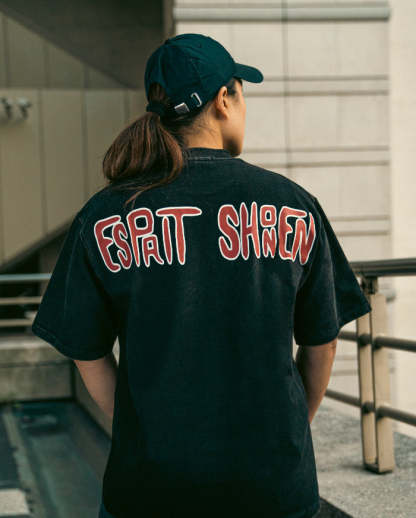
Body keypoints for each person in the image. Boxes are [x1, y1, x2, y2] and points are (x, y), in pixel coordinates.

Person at [31, 33, 372, 518]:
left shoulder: (103, 215)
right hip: (271, 488)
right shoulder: (293, 204)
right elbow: (323, 342)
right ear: (224, 99)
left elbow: (86, 351)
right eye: (241, 91)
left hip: (149, 490)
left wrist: (141, 432)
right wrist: (286, 434)